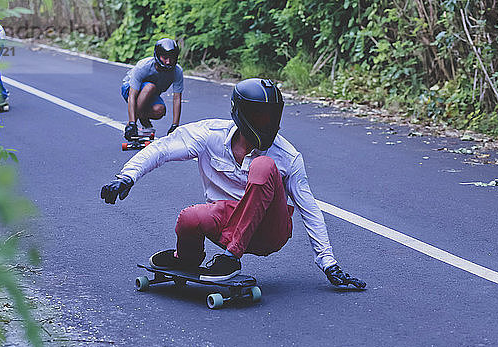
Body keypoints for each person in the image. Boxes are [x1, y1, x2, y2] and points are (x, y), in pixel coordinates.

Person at [102, 78, 366, 288]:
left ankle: (230, 259)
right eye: (260, 116)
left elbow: (310, 209)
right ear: (240, 113)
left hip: (268, 233)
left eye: (272, 116)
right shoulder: (209, 135)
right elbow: (162, 149)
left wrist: (328, 262)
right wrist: (127, 176)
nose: (268, 124)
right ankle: (186, 260)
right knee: (189, 218)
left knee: (264, 165)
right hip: (227, 226)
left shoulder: (287, 156)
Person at [121, 38, 183, 140]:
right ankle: (132, 125)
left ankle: (144, 124)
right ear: (158, 56)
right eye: (165, 57)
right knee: (150, 87)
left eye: (172, 58)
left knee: (159, 110)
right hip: (130, 89)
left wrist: (175, 126)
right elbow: (132, 96)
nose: (168, 62)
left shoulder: (177, 71)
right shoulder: (143, 66)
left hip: (150, 94)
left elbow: (177, 98)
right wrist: (132, 123)